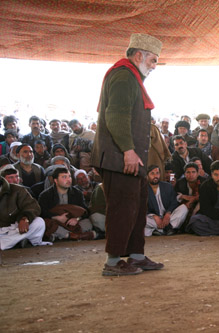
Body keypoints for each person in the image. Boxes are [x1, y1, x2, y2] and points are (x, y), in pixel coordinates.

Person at [91, 33, 165, 276]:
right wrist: (128, 151)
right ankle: (113, 263)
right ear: (138, 55)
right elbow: (116, 116)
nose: (154, 66)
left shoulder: (131, 77)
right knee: (122, 209)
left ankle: (135, 256)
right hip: (119, 158)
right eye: (153, 60)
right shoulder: (123, 76)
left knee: (135, 207)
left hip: (127, 158)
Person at [38, 167, 96, 241]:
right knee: (45, 223)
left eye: (69, 176)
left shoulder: (77, 193)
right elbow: (42, 213)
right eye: (64, 177)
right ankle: (76, 236)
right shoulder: (45, 195)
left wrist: (77, 219)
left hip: (72, 222)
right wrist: (56, 218)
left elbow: (85, 211)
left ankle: (63, 236)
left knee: (87, 222)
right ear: (56, 180)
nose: (68, 180)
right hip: (56, 222)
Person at [0, 176, 48, 250]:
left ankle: (9, 243)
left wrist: (25, 218)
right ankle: (17, 241)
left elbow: (33, 206)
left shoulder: (17, 190)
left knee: (39, 222)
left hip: (16, 227)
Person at [146, 165, 188, 236]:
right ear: (147, 175)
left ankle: (160, 229)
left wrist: (168, 213)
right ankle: (167, 229)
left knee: (184, 208)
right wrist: (154, 216)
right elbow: (141, 206)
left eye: (157, 173)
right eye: (152, 173)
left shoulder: (167, 186)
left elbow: (174, 202)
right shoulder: (143, 188)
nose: (155, 176)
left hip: (168, 217)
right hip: (152, 218)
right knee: (140, 218)